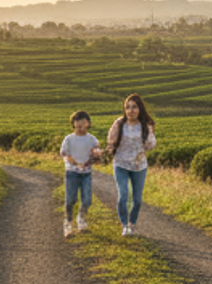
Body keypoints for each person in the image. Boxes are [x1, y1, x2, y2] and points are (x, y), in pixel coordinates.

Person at [105, 94, 156, 236]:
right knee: (123, 195)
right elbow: (110, 139)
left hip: (139, 166)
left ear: (140, 108)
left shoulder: (145, 125)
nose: (131, 110)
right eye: (127, 107)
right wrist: (111, 147)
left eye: (134, 107)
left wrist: (145, 145)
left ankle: (132, 223)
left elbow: (152, 143)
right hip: (120, 163)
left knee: (137, 200)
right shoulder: (119, 123)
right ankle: (124, 225)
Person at [60, 110, 102, 238]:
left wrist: (96, 155)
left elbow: (96, 155)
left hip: (86, 173)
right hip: (71, 173)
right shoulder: (68, 139)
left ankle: (81, 220)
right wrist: (76, 163)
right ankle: (68, 223)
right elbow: (65, 155)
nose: (80, 125)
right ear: (72, 124)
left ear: (88, 124)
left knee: (87, 200)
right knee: (70, 200)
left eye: (83, 122)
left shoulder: (92, 139)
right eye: (77, 122)